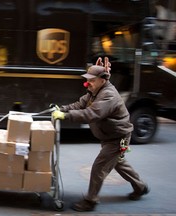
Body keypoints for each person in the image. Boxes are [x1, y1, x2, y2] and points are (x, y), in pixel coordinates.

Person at [52, 57, 149, 212]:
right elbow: (79, 104)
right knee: (119, 163)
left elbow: (92, 113)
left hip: (118, 138)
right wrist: (62, 108)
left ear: (102, 80)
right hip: (110, 136)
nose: (88, 83)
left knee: (99, 168)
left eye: (92, 80)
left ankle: (90, 201)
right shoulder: (94, 92)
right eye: (87, 80)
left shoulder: (108, 95)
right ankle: (140, 187)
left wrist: (66, 116)